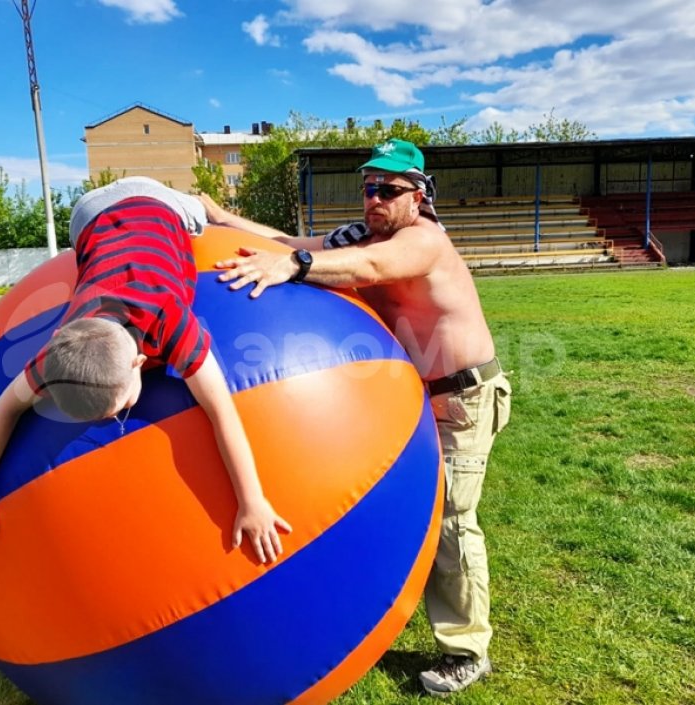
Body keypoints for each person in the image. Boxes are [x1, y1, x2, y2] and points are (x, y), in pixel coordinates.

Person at [200, 139, 512, 696]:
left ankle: (468, 649)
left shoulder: (424, 240)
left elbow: (365, 267)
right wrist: (221, 217)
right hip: (412, 397)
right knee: (402, 506)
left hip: (462, 400)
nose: (375, 198)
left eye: (388, 189)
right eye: (368, 187)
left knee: (450, 522)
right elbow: (289, 242)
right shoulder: (361, 236)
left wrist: (293, 265)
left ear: (418, 195)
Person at [0, 177, 290, 564]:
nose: (113, 418)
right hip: (90, 212)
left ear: (140, 362)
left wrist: (252, 500)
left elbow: (221, 410)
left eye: (116, 408)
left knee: (199, 218)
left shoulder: (169, 319)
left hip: (160, 202)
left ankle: (205, 204)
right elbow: (4, 408)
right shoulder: (62, 352)